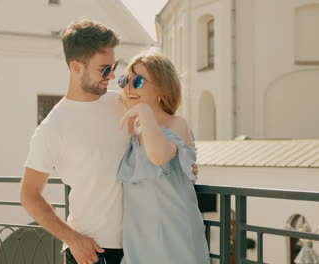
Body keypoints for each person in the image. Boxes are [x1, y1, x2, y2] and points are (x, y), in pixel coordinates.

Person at [20, 18, 199, 264]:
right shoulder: (52, 129)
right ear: (76, 67)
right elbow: (30, 195)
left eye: (114, 67)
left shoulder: (122, 102)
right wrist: (72, 239)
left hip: (143, 249)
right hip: (93, 251)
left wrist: (184, 162)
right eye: (104, 69)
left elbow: (162, 131)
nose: (113, 75)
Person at [117, 49, 210, 263]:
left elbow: (159, 156)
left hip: (175, 237)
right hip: (139, 240)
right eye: (125, 81)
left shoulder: (176, 124)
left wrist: (143, 111)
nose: (129, 88)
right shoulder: (134, 127)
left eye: (138, 81)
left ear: (161, 86)